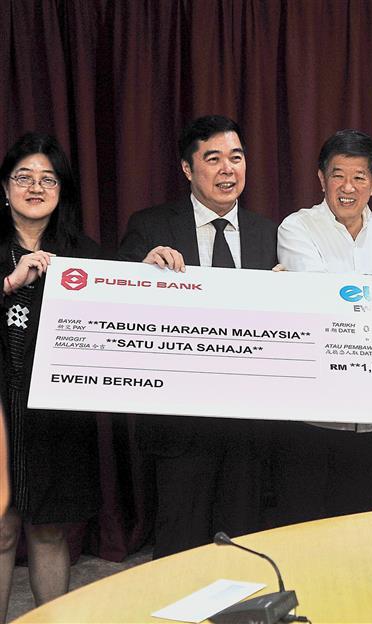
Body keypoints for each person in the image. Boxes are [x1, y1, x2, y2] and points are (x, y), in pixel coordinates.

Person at [117, 115, 279, 556]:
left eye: (237, 157)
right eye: (214, 159)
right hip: (180, 424)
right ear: (188, 169)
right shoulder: (151, 227)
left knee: (243, 546)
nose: (228, 169)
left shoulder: (269, 234)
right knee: (179, 547)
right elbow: (115, 305)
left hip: (249, 424)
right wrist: (141, 269)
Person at [0, 133, 100, 621]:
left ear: (62, 190)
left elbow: (122, 307)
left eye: (48, 178)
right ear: (5, 188)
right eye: (24, 177)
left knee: (49, 528)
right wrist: (11, 282)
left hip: (55, 416)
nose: (36, 187)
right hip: (0, 412)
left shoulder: (82, 251)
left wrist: (148, 272)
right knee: (0, 530)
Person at [273, 130, 372, 521]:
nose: (348, 187)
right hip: (315, 412)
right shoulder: (297, 227)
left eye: (360, 176)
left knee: (360, 522)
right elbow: (322, 301)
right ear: (321, 179)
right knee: (305, 523)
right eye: (338, 175)